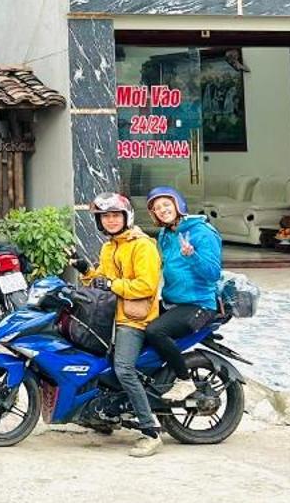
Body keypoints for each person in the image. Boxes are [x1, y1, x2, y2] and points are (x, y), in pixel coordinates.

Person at [82, 193, 165, 458]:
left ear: (126, 217)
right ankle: (105, 415)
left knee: (124, 369)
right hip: (109, 317)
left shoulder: (143, 246)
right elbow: (103, 280)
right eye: (105, 216)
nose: (111, 220)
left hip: (134, 318)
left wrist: (113, 285)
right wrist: (85, 270)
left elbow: (146, 285)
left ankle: (150, 431)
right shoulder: (109, 247)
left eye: (115, 215)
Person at [142, 187, 222, 388]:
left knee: (155, 332)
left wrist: (192, 256)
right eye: (157, 208)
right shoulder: (165, 234)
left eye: (166, 204)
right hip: (172, 301)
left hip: (199, 304)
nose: (162, 210)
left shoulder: (202, 232)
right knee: (133, 322)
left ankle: (182, 380)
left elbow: (213, 273)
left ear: (178, 205)